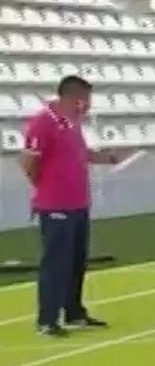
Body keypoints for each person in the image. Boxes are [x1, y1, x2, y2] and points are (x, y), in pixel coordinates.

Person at [21, 76, 121, 337]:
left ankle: (74, 311)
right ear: (71, 96)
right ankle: (47, 319)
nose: (87, 106)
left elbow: (79, 152)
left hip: (78, 202)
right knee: (55, 261)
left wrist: (103, 158)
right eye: (84, 100)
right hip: (55, 204)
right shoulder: (43, 122)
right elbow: (29, 161)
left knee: (77, 260)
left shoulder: (73, 121)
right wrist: (43, 189)